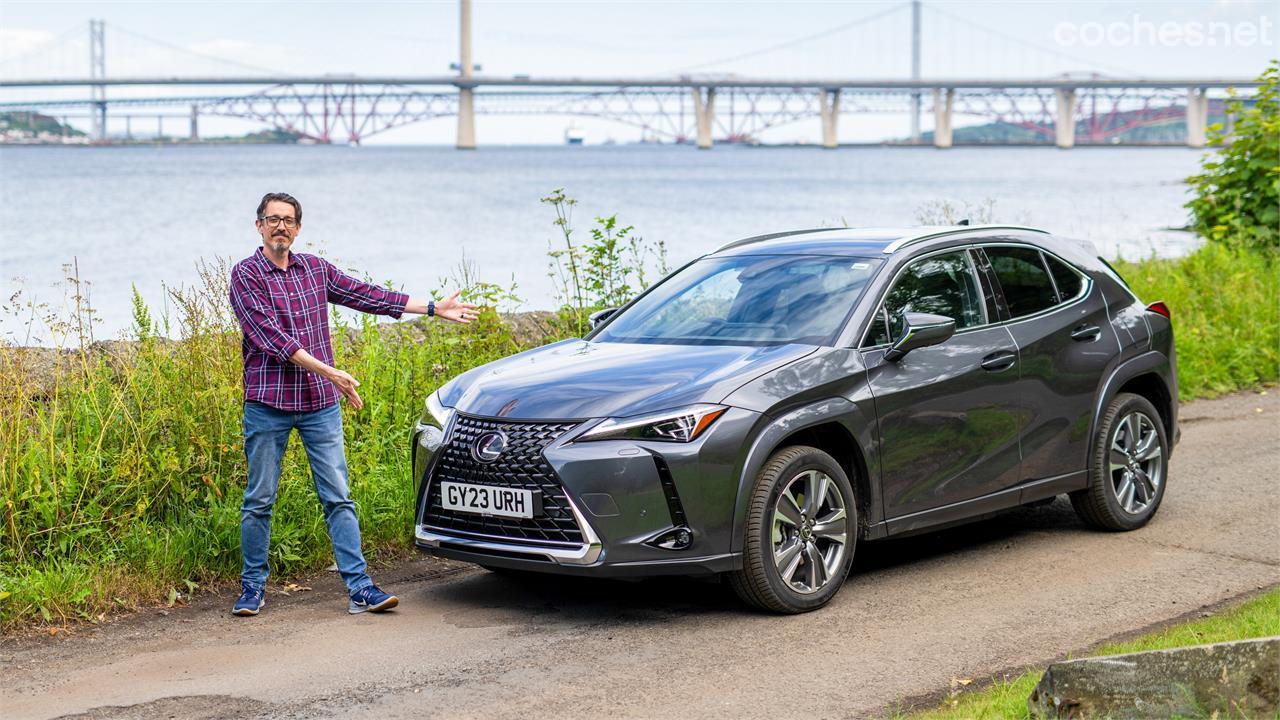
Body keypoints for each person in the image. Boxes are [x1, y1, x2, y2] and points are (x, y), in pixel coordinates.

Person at [228, 191, 477, 616]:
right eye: (272, 220)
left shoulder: (314, 270)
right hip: (269, 403)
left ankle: (360, 588)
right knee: (259, 498)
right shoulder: (246, 275)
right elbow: (272, 339)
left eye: (288, 220)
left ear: (298, 228)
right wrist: (332, 373)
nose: (280, 227)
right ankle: (252, 587)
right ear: (259, 226)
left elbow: (367, 296)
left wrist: (433, 307)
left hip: (319, 404)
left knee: (338, 496)